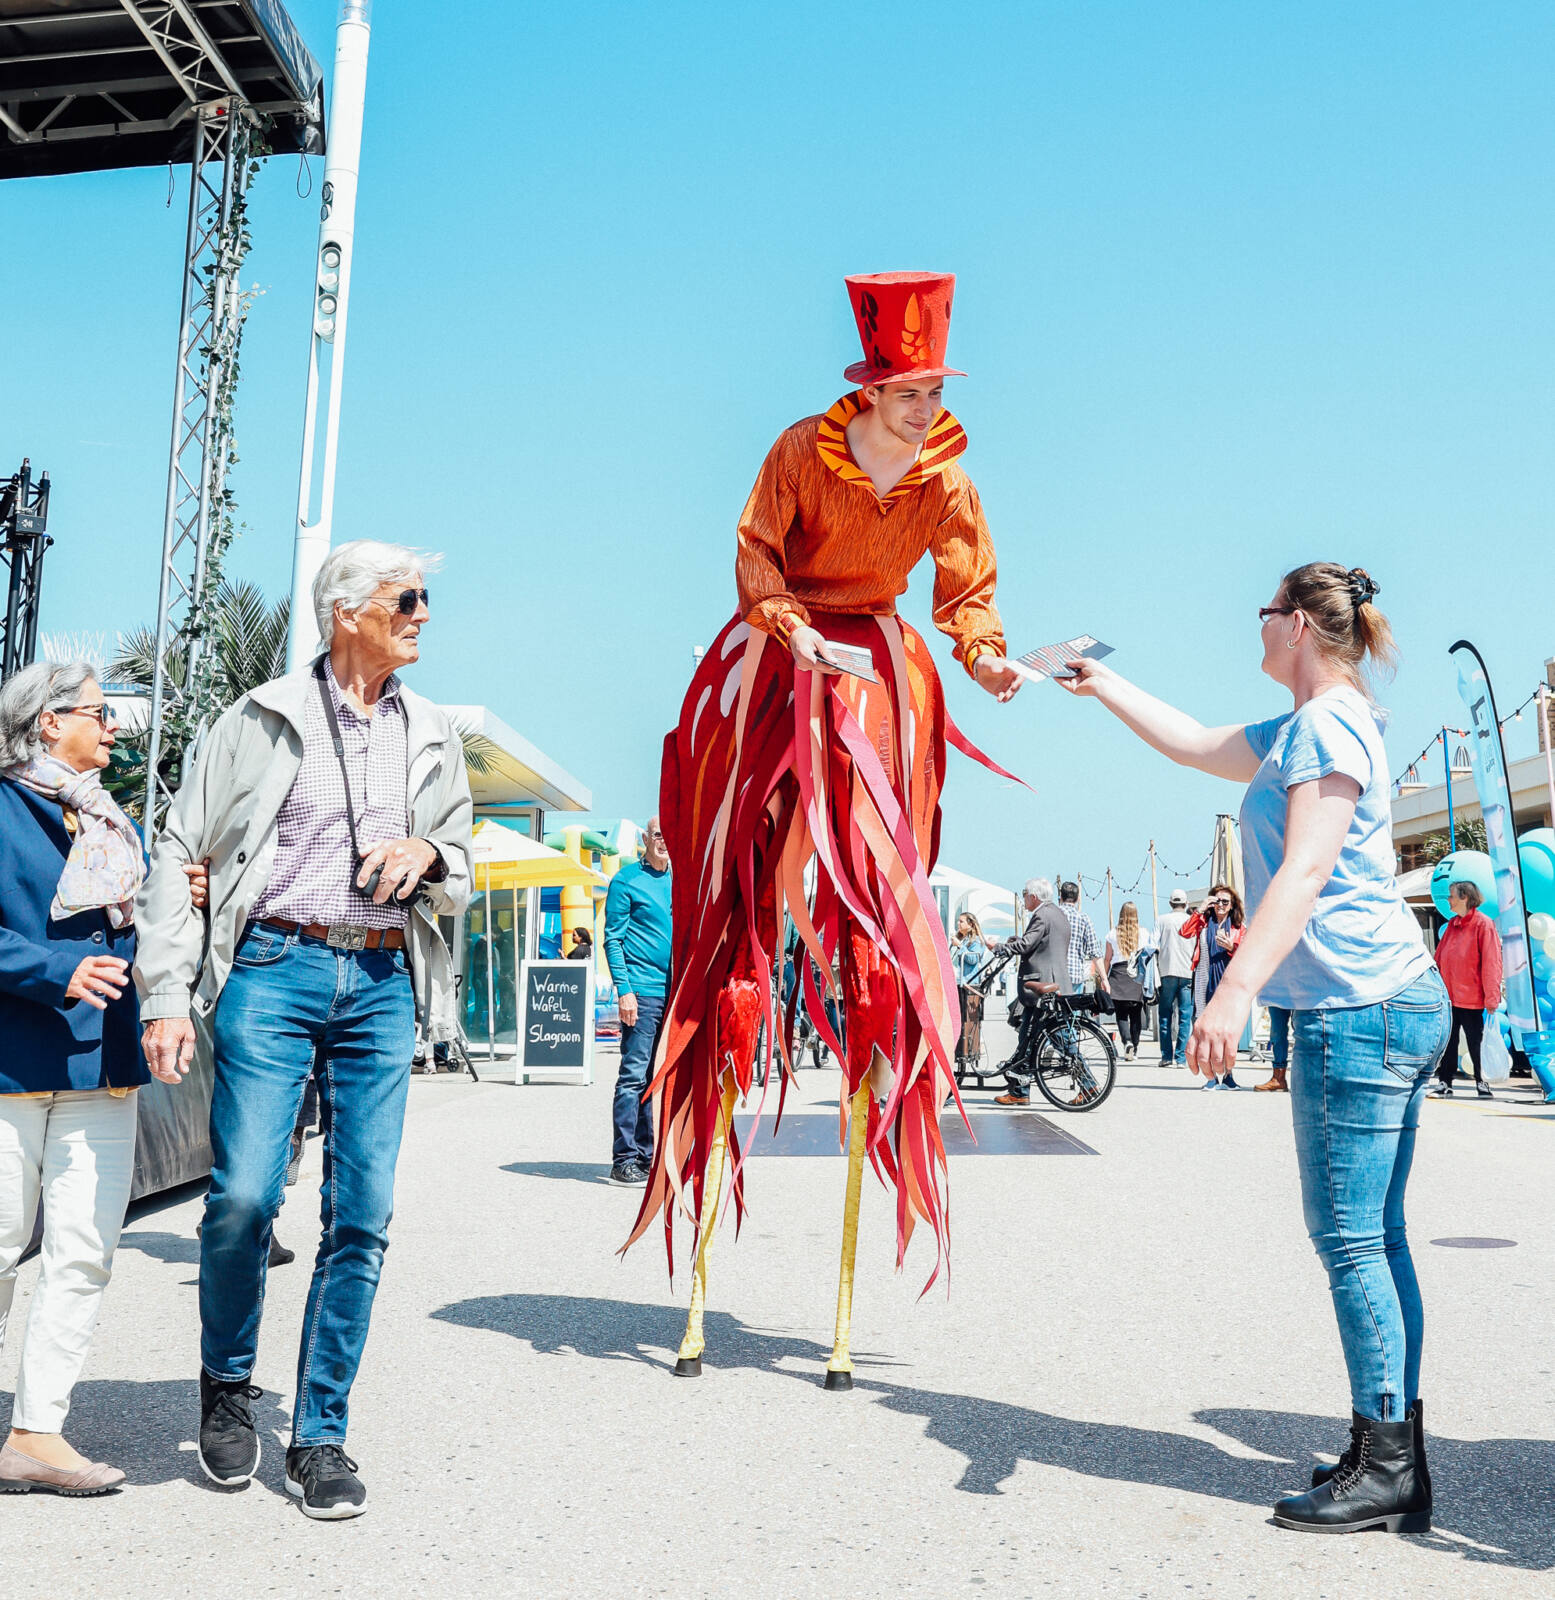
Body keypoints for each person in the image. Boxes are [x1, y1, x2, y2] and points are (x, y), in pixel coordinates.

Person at [624, 270, 1023, 1285]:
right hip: (786, 654)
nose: (925, 407)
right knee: (747, 875)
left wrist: (986, 660)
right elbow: (756, 550)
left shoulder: (946, 474)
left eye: (934, 389)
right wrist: (793, 628)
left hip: (880, 670)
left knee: (876, 874)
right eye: (908, 391)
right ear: (869, 388)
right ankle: (726, 1028)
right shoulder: (803, 449)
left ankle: (876, 1027)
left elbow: (965, 591)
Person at [1062, 562, 1447, 1535]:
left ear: (1302, 628)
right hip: (1386, 995)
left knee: (1352, 1239)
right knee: (1377, 1236)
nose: (1257, 621)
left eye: (1267, 610)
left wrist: (1232, 991)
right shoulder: (1310, 723)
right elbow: (1194, 744)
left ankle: (1387, 1463)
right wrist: (1096, 681)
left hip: (1356, 1004)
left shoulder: (1325, 725)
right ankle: (1387, 1446)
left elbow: (1309, 864)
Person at [135, 540, 472, 1520]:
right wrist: (164, 991)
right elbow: (179, 846)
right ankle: (226, 1385)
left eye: (421, 598)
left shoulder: (432, 731)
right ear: (344, 612)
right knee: (241, 1195)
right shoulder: (261, 718)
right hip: (273, 970)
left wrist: (430, 854)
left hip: (378, 977)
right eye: (404, 598)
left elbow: (458, 858)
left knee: (361, 1212)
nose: (420, 612)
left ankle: (321, 1432)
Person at [0, 662, 163, 1496]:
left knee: (82, 1255)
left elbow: (131, 929)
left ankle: (36, 1432)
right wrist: (51, 970)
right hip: (11, 1062)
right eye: (100, 714)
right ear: (45, 721)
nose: (114, 729)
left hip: (103, 1066)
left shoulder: (109, 818)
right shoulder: (1, 806)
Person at [602, 817, 672, 1186]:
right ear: (645, 839)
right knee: (633, 1075)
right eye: (658, 835)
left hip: (673, 993)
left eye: (669, 835)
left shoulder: (681, 880)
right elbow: (612, 939)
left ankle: (647, 1156)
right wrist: (624, 990)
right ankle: (623, 1159)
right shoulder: (626, 881)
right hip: (641, 994)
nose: (664, 842)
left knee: (656, 1078)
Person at [991, 879, 1070, 1106]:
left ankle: (1087, 1083)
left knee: (1048, 1037)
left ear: (1034, 896)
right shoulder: (1056, 913)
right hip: (1055, 981)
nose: (1024, 897)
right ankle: (1019, 1090)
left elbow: (1026, 946)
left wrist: (1000, 948)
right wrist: (1020, 941)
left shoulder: (1041, 915)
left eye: (1025, 893)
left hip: (1040, 985)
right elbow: (1040, 944)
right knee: (1030, 1036)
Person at [1430, 880, 1501, 1100]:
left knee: (1476, 1042)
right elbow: (1439, 957)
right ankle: (1445, 1081)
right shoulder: (1452, 924)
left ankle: (1483, 1081)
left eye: (1451, 896)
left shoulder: (1483, 924)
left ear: (1465, 898)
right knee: (1448, 1043)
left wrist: (1492, 997)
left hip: (1472, 997)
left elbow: (1491, 961)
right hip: (1449, 997)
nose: (1448, 900)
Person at [1181, 886, 1246, 1088]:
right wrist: (1200, 909)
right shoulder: (1203, 923)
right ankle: (1210, 1077)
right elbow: (1184, 932)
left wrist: (1231, 947)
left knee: (1226, 1029)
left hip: (1227, 981)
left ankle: (1228, 1076)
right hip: (1204, 979)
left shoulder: (1238, 928)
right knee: (1206, 1026)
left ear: (1232, 905)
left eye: (1225, 902)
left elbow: (1247, 954)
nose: (1220, 905)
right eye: (1216, 901)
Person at [1151, 890, 1195, 1068]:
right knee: (1185, 1016)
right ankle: (1181, 1058)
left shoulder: (1161, 920)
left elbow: (1152, 944)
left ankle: (1167, 1056)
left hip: (1167, 971)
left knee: (1165, 1015)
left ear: (1170, 904)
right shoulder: (1191, 921)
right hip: (1187, 971)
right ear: (1186, 904)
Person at [1103, 902, 1148, 1061]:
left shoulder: (1111, 934)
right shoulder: (1143, 933)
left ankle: (1127, 1041)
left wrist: (1103, 978)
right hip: (1136, 975)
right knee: (1136, 1014)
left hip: (1118, 975)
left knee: (1121, 1014)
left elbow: (1107, 959)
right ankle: (1134, 1048)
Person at [950, 912, 985, 1072]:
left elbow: (972, 959)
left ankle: (969, 1047)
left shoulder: (975, 941)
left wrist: (960, 946)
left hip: (969, 984)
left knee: (967, 1020)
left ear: (970, 924)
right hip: (960, 983)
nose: (959, 924)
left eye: (962, 921)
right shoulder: (964, 940)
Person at [1058, 881, 1105, 994]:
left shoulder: (1053, 915)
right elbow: (1095, 952)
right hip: (1075, 975)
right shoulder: (1083, 919)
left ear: (1060, 897)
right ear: (1078, 898)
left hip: (1054, 976)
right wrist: (1104, 979)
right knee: (1074, 1009)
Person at [1257, 1005, 1293, 1092]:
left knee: (1305, 1032)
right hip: (1277, 995)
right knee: (1277, 1032)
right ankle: (1279, 1078)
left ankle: (1310, 1079)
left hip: (1303, 994)